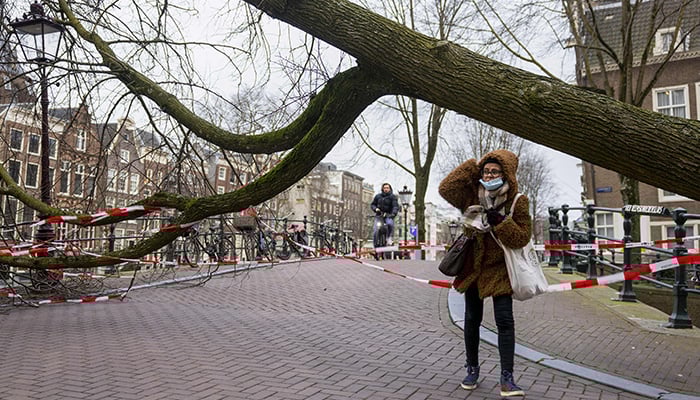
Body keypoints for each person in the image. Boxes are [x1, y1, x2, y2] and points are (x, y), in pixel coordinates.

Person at [438, 149, 531, 397]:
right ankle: (472, 368)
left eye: (495, 171)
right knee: (471, 320)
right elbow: (446, 188)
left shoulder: (517, 200)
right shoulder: (471, 195)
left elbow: (522, 237)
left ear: (507, 174)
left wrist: (501, 221)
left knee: (505, 321)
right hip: (474, 266)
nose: (489, 175)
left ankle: (507, 378)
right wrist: (473, 166)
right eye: (486, 171)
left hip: (500, 267)